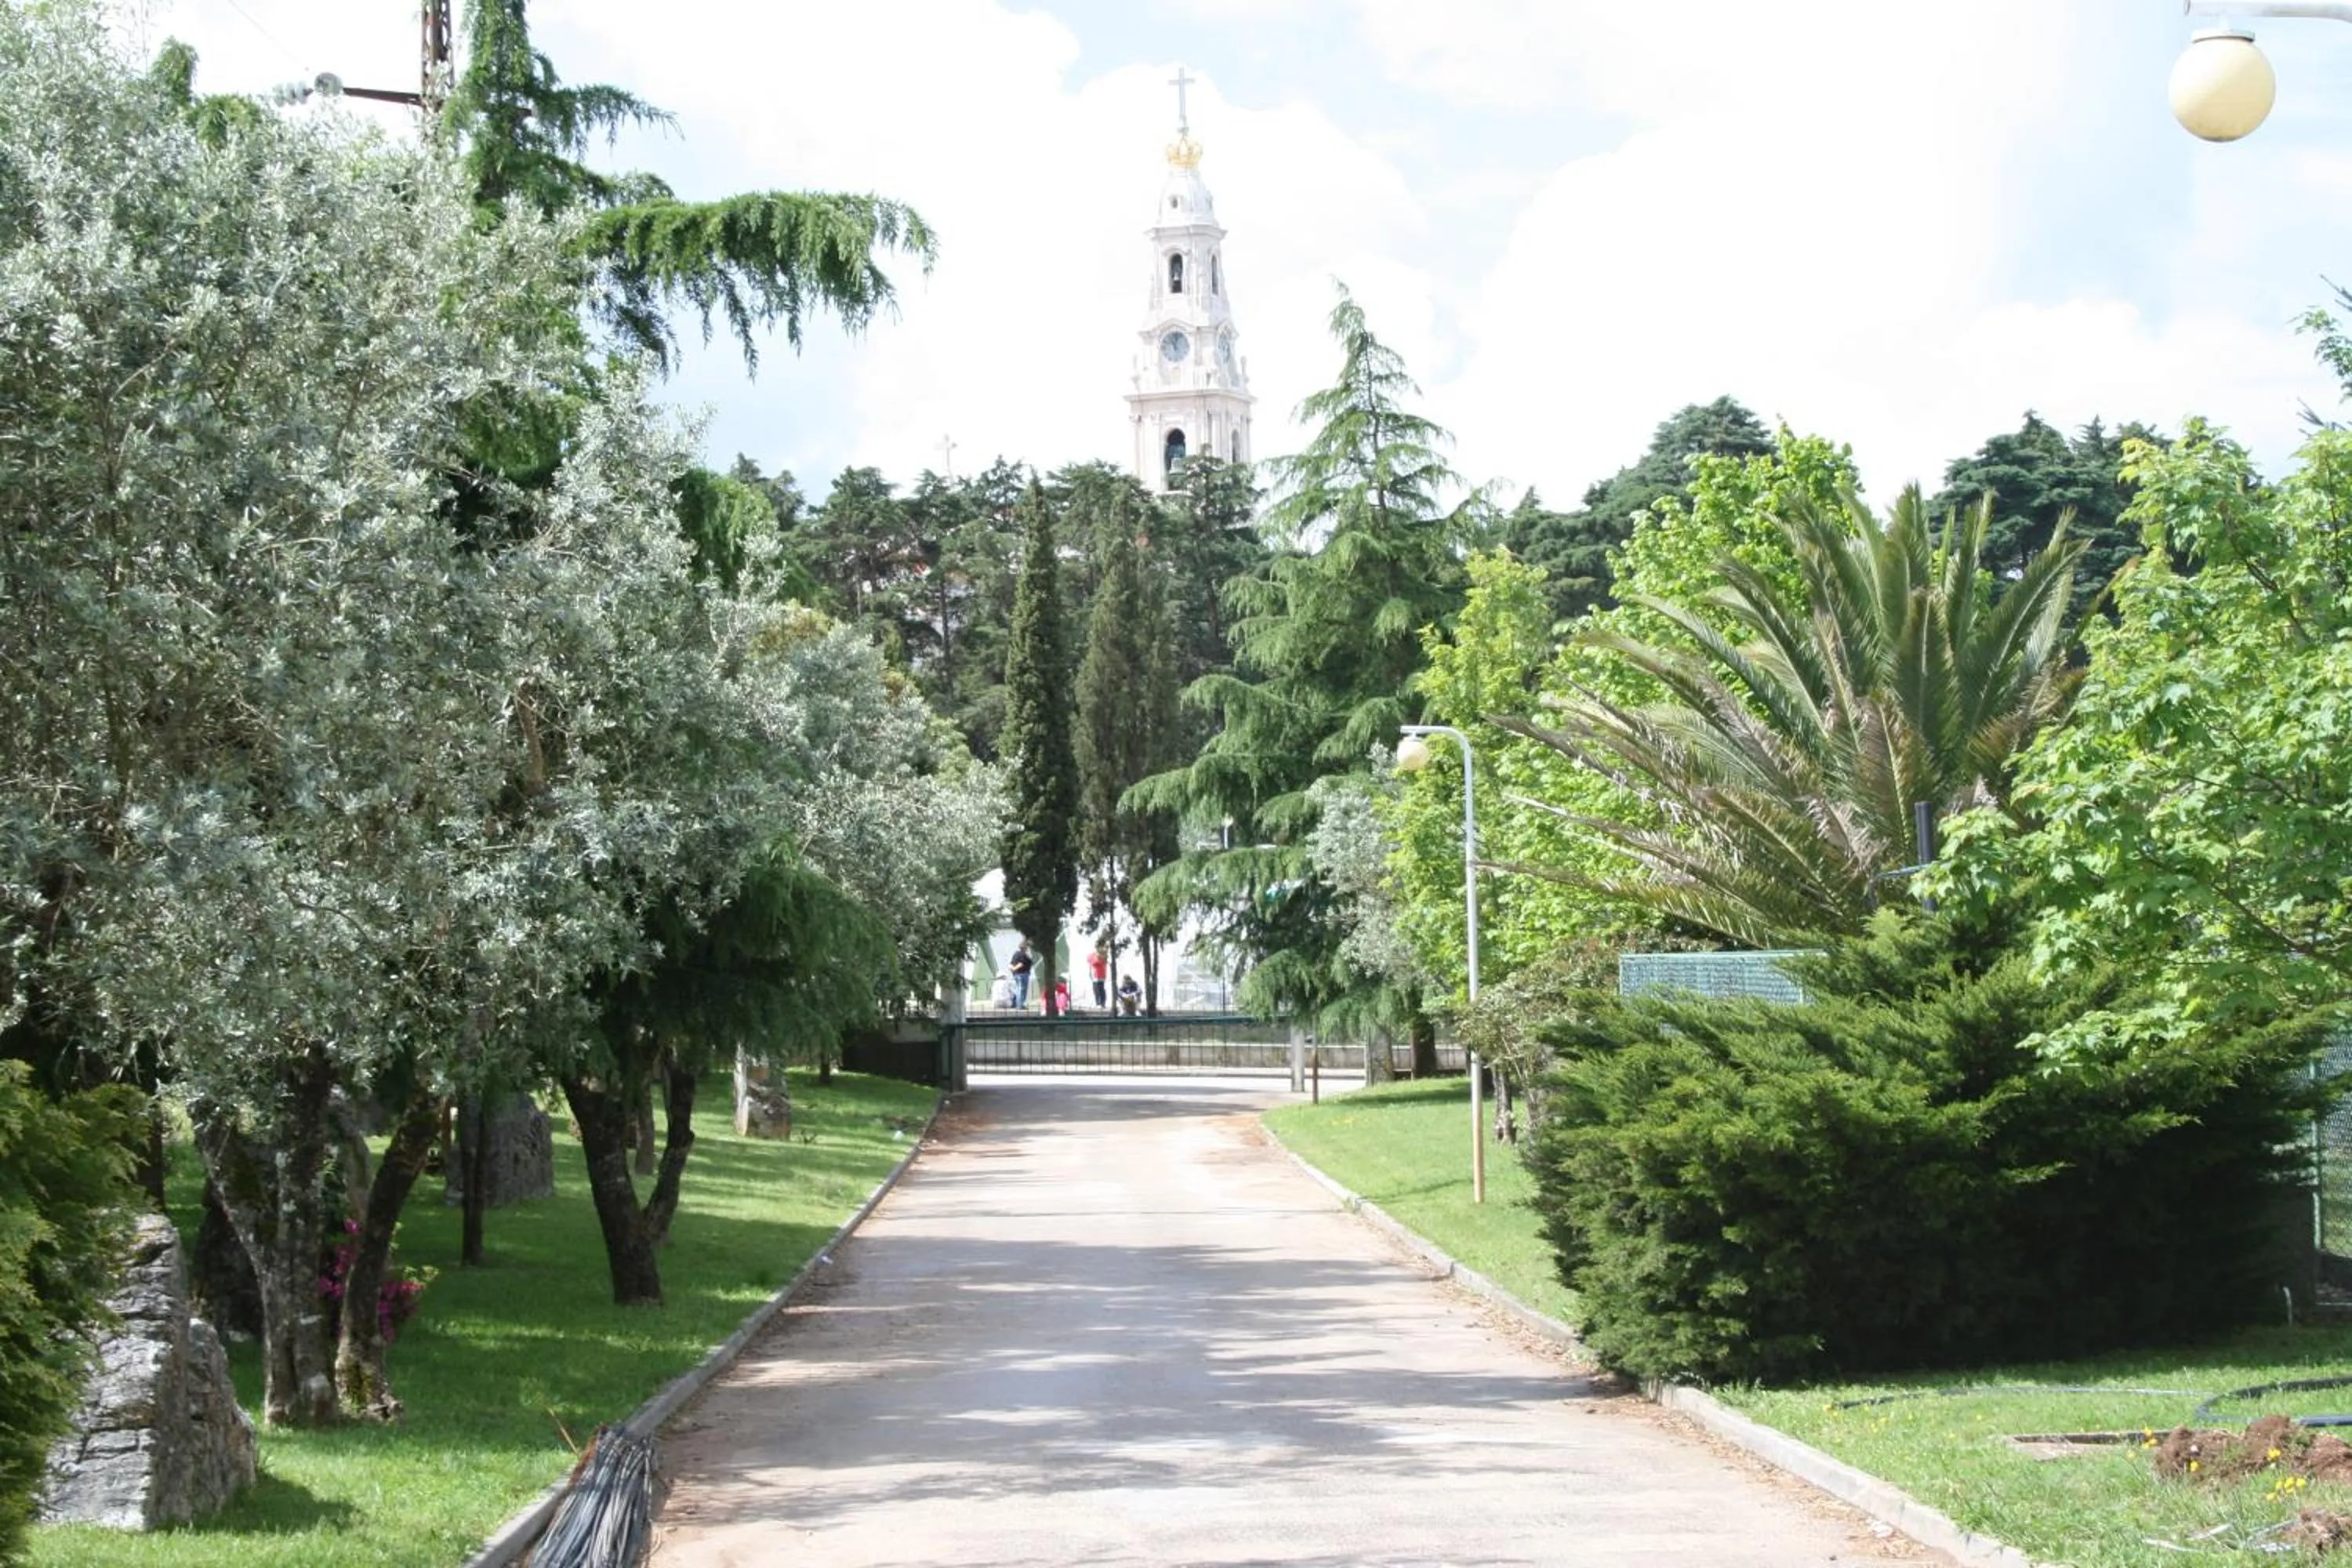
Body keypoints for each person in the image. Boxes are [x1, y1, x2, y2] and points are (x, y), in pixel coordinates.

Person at [1007, 941, 1033, 1011]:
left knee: (1018, 989)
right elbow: (1021, 963)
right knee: (1022, 990)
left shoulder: (1016, 954)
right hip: (1023, 974)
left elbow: (1011, 963)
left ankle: (1015, 1003)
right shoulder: (1024, 955)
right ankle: (1020, 1005)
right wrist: (1015, 969)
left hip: (1016, 974)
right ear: (1025, 947)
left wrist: (1012, 969)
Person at [1087, 945, 1109, 1010]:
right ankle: (1099, 1003)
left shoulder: (1104, 956)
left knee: (1101, 990)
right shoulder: (1093, 955)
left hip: (1101, 976)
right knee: (1097, 990)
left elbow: (1099, 962)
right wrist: (1097, 956)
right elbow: (1092, 961)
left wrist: (1099, 957)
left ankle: (1102, 1003)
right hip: (1095, 976)